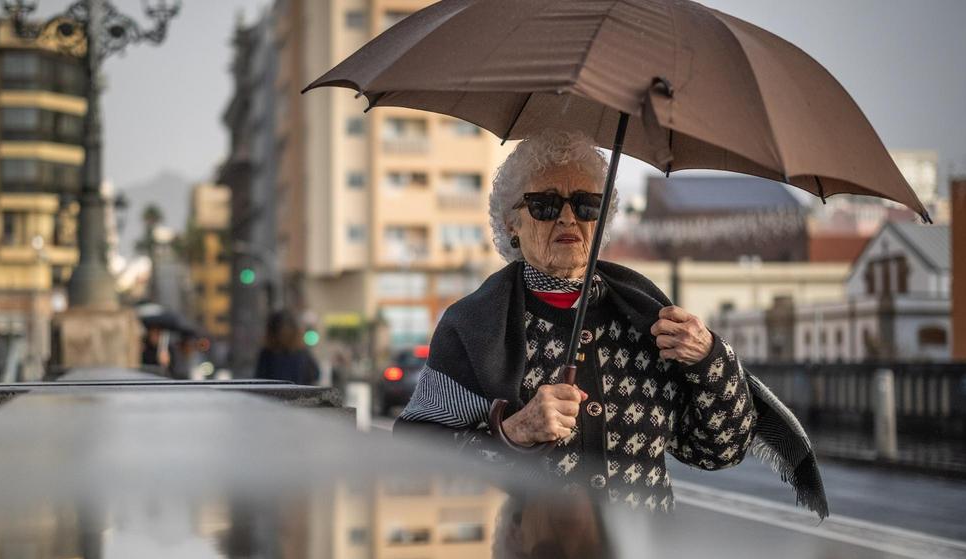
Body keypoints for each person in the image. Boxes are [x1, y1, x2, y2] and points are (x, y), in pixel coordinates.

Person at [395, 129, 826, 515]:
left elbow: (717, 450)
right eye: (545, 205)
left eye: (586, 205)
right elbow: (418, 458)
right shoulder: (471, 325)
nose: (568, 218)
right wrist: (513, 432)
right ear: (512, 223)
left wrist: (710, 358)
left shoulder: (645, 315)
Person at [255, 310, 320, 385]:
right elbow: (260, 379)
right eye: (280, 331)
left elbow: (314, 374)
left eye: (287, 331)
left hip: (298, 394)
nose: (284, 335)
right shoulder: (267, 354)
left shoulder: (301, 353)